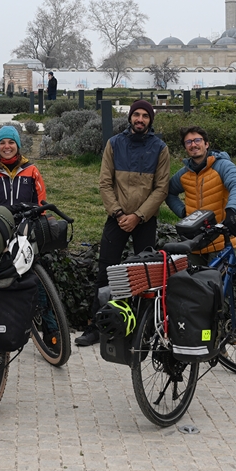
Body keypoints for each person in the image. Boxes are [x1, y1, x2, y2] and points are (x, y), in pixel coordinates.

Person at [75, 99, 169, 346]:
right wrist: (118, 214)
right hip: (116, 219)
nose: (140, 119)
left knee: (146, 277)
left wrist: (138, 216)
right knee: (105, 272)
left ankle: (143, 328)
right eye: (136, 115)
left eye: (145, 116)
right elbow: (105, 183)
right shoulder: (114, 144)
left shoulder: (160, 148)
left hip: (144, 221)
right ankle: (96, 326)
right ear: (129, 118)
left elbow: (161, 189)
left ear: (150, 120)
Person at [165, 126, 236, 229]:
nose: (193, 144)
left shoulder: (223, 166)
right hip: (194, 238)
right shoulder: (183, 174)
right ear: (185, 148)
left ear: (206, 144)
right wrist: (183, 213)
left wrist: (231, 211)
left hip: (221, 236)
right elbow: (169, 193)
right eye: (188, 142)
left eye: (197, 140)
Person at [0, 126, 46, 210]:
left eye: (11, 142)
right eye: (2, 143)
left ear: (17, 145)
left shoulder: (32, 171)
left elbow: (40, 203)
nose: (7, 146)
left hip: (26, 221)